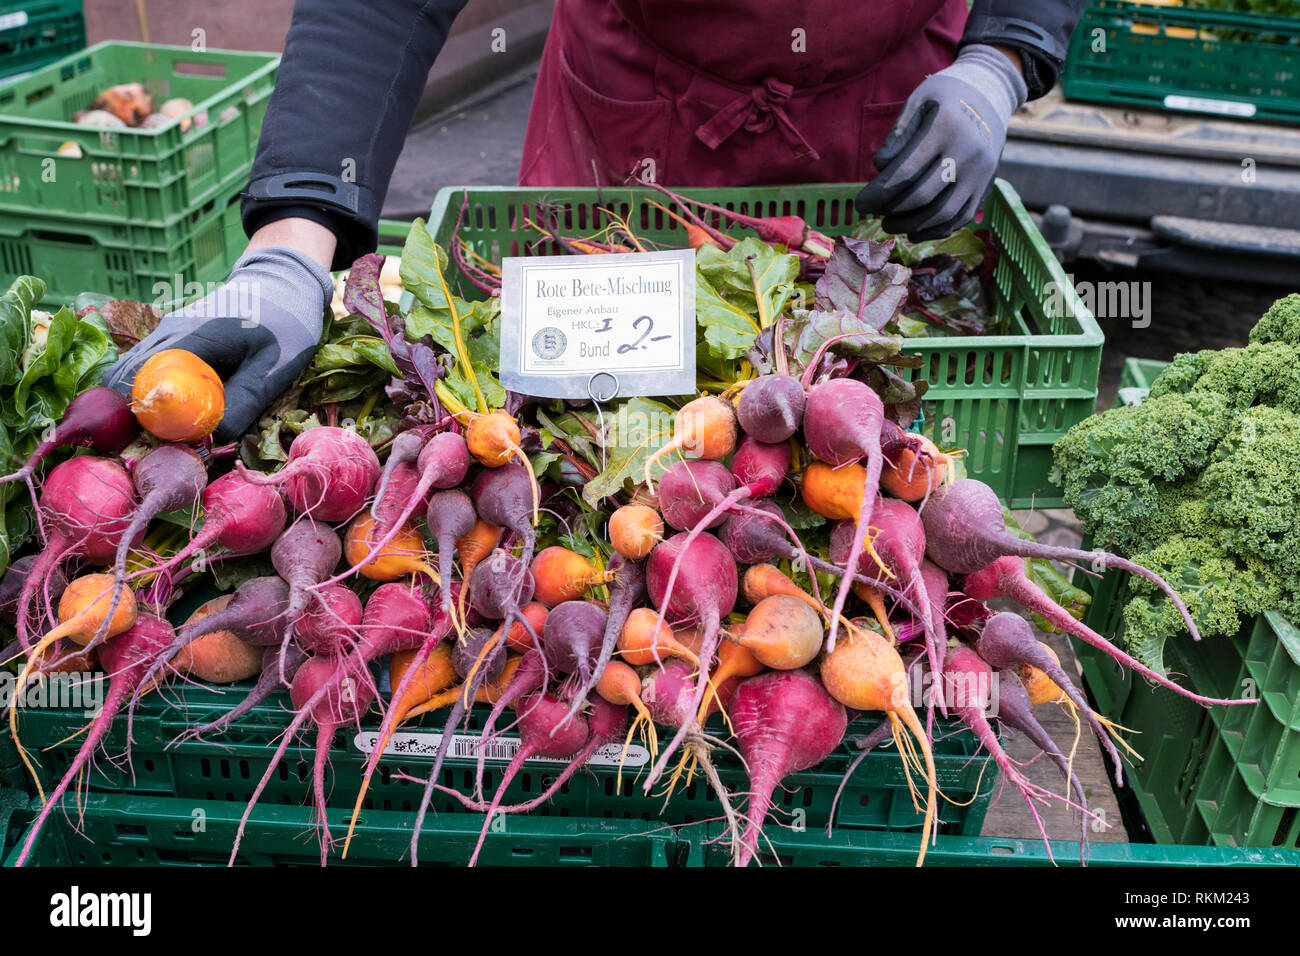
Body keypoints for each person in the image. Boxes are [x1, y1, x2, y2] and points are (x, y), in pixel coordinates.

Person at [104, 0, 1085, 442]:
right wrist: (291, 243)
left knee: (856, 409)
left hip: (880, 118)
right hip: (638, 117)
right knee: (585, 439)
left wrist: (1003, 57)